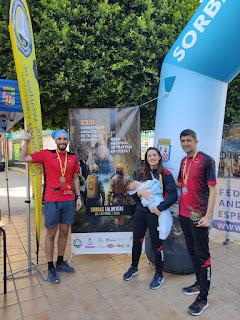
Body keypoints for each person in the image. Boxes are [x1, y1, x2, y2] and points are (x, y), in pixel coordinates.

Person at [19, 129, 82, 284]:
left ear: (68, 141)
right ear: (55, 140)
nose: (62, 141)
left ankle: (60, 262)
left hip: (68, 199)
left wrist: (78, 196)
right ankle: (50, 266)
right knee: (51, 234)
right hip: (51, 200)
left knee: (65, 231)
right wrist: (26, 140)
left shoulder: (72, 157)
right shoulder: (46, 154)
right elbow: (23, 158)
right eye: (59, 138)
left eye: (64, 139)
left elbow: (75, 178)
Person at [123, 147, 177, 289]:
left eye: (154, 155)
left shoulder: (165, 174)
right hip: (140, 212)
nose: (152, 158)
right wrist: (140, 192)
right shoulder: (141, 172)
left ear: (159, 157)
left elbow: (173, 195)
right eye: (149, 156)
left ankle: (159, 274)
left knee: (156, 243)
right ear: (146, 159)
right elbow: (131, 190)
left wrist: (160, 208)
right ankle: (134, 267)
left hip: (154, 213)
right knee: (137, 240)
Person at [177, 129, 217, 316]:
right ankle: (199, 283)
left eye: (188, 140)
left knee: (203, 255)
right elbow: (181, 183)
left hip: (198, 216)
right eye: (183, 141)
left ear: (196, 141)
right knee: (192, 250)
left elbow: (213, 190)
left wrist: (208, 216)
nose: (185, 144)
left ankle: (203, 298)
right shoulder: (183, 161)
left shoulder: (207, 160)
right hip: (184, 215)